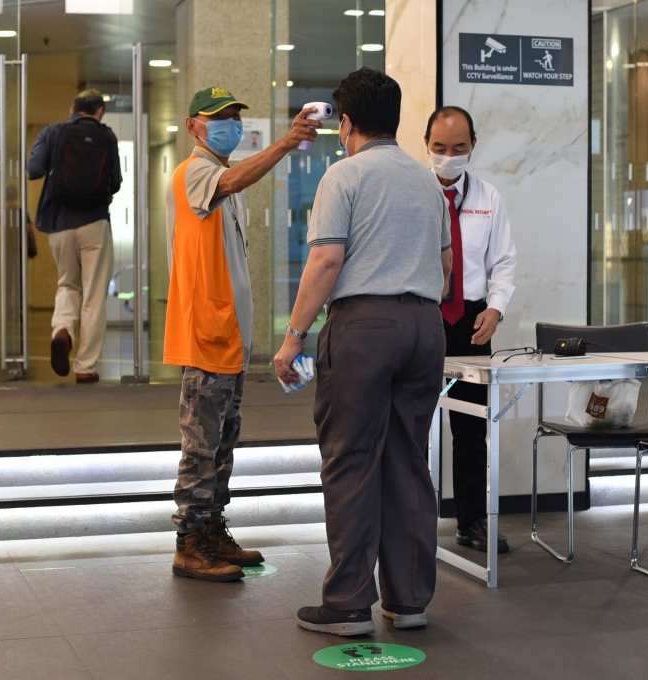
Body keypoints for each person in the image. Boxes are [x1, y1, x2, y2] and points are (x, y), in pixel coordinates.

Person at [274, 67, 451, 635]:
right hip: (425, 326)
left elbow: (326, 261)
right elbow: (447, 270)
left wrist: (293, 335)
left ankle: (349, 602)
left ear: (345, 122)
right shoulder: (428, 183)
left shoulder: (344, 176)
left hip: (365, 326)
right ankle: (410, 600)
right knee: (408, 459)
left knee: (351, 459)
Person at [165, 87, 319, 582]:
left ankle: (211, 531)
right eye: (218, 118)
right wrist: (286, 142)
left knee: (222, 443)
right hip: (205, 338)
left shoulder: (217, 182)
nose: (229, 125)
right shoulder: (195, 173)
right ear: (193, 126)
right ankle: (188, 543)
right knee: (200, 445)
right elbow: (233, 179)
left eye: (234, 118)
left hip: (227, 339)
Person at [425, 106, 516, 554]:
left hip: (473, 322)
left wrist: (496, 310)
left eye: (458, 148)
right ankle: (413, 521)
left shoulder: (488, 197)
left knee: (470, 427)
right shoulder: (414, 193)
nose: (448, 157)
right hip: (423, 316)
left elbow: (503, 261)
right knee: (412, 423)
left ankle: (471, 521)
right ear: (426, 145)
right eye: (439, 148)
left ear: (472, 147)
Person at [28, 88, 121, 384]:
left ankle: (62, 331)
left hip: (59, 223)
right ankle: (85, 366)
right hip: (94, 222)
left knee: (67, 283)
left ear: (72, 109)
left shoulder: (53, 132)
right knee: (94, 294)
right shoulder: (106, 136)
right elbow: (116, 183)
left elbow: (33, 170)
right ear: (99, 111)